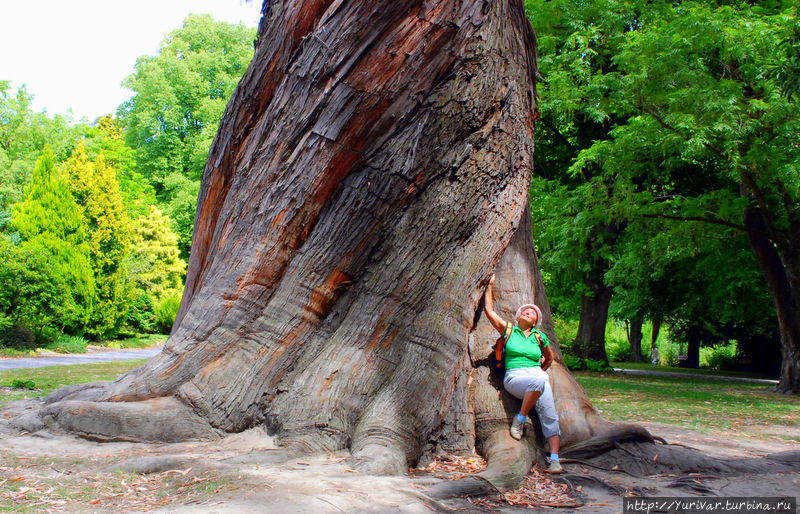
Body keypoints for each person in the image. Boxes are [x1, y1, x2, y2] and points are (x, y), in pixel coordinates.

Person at [484, 274, 563, 474]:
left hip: (536, 376)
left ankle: (554, 459)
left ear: (536, 321)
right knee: (538, 380)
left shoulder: (539, 336)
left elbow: (549, 358)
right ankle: (520, 420)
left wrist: (540, 370)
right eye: (526, 311)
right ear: (518, 317)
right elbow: (489, 311)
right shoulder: (509, 330)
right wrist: (489, 286)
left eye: (533, 312)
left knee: (550, 416)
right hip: (515, 377)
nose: (529, 312)